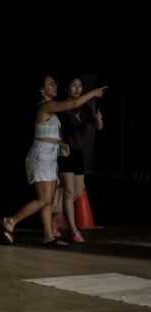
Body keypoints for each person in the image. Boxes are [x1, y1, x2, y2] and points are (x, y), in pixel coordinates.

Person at [0, 75, 106, 247]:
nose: (54, 85)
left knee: (47, 200)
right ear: (42, 90)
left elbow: (46, 133)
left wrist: (60, 144)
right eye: (50, 84)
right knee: (43, 200)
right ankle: (10, 221)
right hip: (41, 156)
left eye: (55, 82)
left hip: (49, 156)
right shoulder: (46, 106)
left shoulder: (51, 110)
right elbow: (72, 104)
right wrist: (92, 93)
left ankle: (48, 235)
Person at [55, 77, 105, 243]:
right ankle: (74, 230)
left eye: (80, 86)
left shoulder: (84, 107)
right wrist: (60, 143)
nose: (77, 88)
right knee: (69, 192)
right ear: (66, 88)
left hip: (79, 153)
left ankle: (55, 218)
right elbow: (56, 129)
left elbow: (99, 127)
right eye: (74, 85)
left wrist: (99, 119)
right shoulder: (62, 106)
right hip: (65, 152)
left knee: (76, 193)